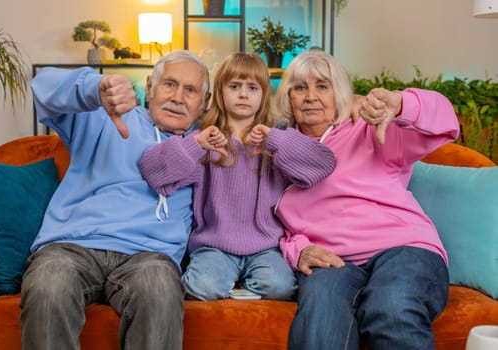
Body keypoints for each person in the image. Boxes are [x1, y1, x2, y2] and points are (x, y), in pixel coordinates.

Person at [19, 50, 211, 350]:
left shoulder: (207, 148)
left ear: (204, 103)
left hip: (149, 257)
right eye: (169, 84)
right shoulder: (106, 116)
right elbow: (42, 86)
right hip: (74, 247)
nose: (178, 97)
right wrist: (95, 89)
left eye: (190, 90)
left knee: (159, 288)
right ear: (149, 86)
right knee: (49, 282)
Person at [274, 49, 460, 349]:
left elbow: (445, 120)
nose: (310, 96)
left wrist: (401, 105)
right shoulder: (277, 150)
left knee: (391, 306)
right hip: (332, 262)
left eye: (323, 86)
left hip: (403, 249)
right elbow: (267, 224)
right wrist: (298, 250)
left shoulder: (371, 127)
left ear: (341, 94)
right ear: (288, 98)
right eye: (300, 87)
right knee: (320, 328)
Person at [140, 52, 335, 301]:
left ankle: (238, 288)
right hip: (214, 247)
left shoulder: (279, 137)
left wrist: (273, 140)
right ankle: (231, 285)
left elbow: (323, 164)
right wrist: (196, 145)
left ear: (264, 94)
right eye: (234, 86)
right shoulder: (204, 138)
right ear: (220, 92)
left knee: (281, 287)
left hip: (266, 247)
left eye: (252, 88)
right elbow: (154, 172)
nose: (243, 94)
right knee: (201, 287)